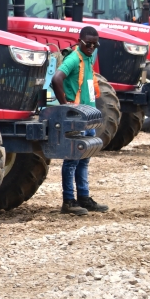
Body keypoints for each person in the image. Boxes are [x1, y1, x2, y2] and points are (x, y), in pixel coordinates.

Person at [52, 26, 109, 216]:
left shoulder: (89, 56)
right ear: (79, 41)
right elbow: (57, 78)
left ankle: (84, 197)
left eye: (95, 44)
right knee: (72, 161)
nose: (92, 47)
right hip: (76, 117)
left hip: (87, 117)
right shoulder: (74, 59)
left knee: (84, 160)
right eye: (88, 44)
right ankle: (69, 201)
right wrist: (65, 105)